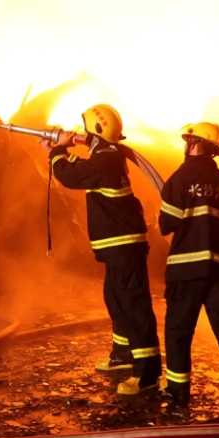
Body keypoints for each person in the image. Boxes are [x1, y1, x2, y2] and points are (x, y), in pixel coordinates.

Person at [40, 104, 162, 395]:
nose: (81, 132)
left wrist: (56, 151)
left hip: (124, 247)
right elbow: (82, 169)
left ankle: (147, 374)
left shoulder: (106, 160)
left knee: (134, 307)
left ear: (96, 131)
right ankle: (123, 356)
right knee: (116, 300)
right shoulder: (107, 155)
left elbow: (70, 176)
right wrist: (61, 148)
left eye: (85, 128)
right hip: (118, 247)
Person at [157, 122, 219, 408]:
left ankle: (177, 392)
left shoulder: (183, 175)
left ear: (193, 144)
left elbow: (167, 224)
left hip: (189, 267)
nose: (185, 145)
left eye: (188, 140)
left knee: (178, 331)